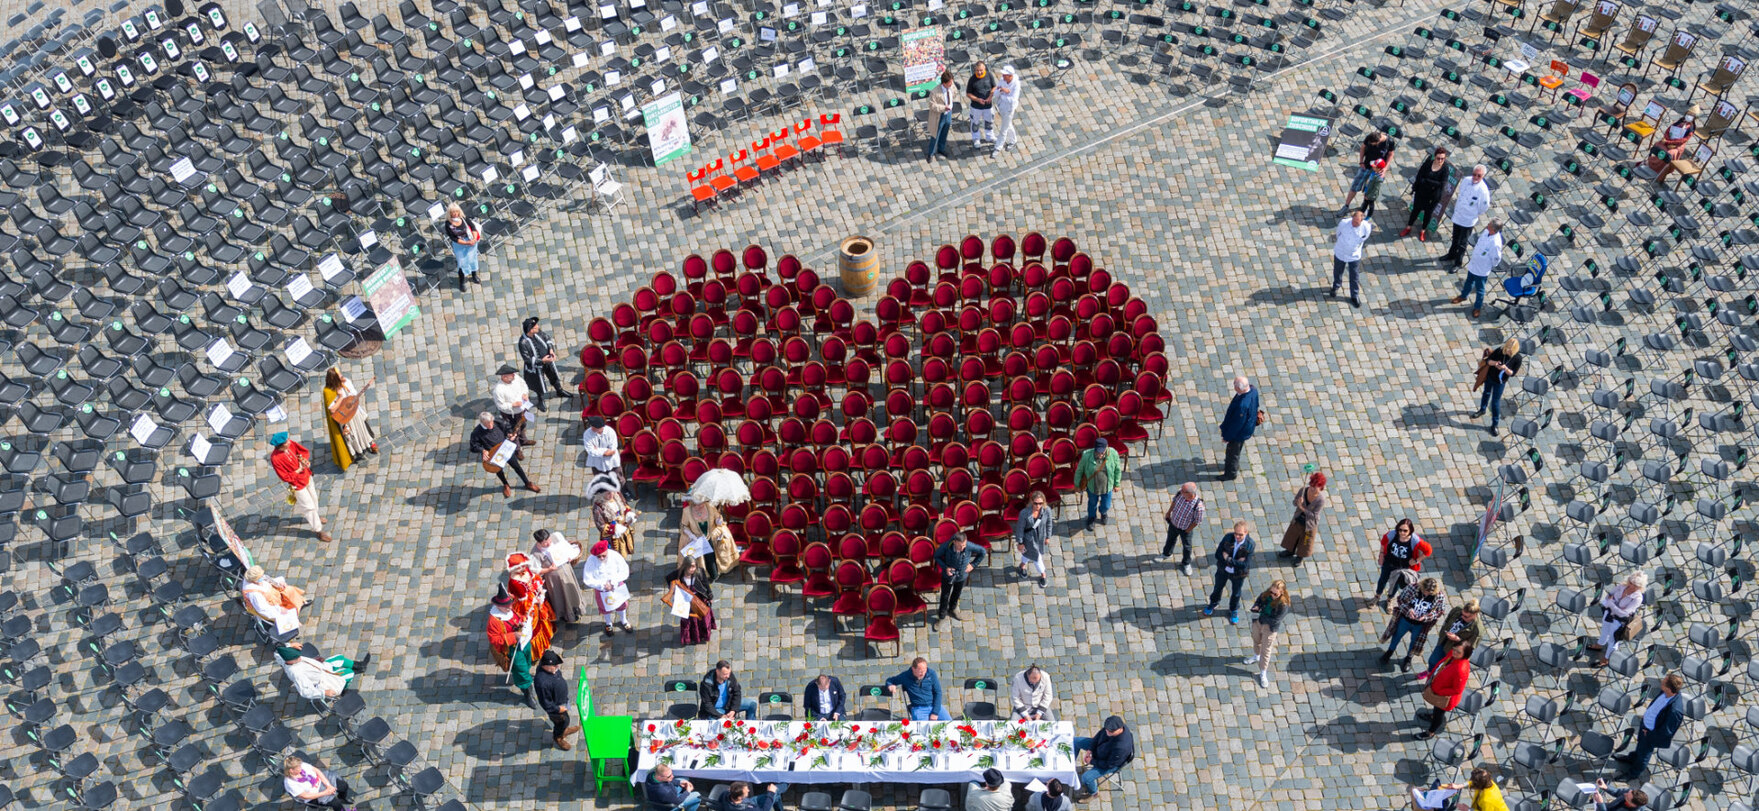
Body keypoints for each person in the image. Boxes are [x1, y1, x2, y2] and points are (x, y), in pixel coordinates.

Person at [1615, 673, 1683, 779]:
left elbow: (1666, 731)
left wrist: (1650, 734)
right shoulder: (1665, 692)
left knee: (1644, 754)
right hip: (1646, 726)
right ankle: (1632, 758)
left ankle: (1633, 773)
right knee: (1640, 746)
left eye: (1664, 682)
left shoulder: (1675, 711)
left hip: (1651, 734)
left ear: (1669, 688)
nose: (1661, 682)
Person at [269, 431, 332, 543]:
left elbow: (303, 452)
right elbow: (285, 477)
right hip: (297, 484)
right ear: (281, 446)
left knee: (314, 498)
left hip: (306, 476)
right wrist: (298, 470)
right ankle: (318, 530)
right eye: (286, 442)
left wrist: (304, 460)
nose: (289, 442)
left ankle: (316, 516)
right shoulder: (275, 459)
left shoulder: (291, 444)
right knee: (308, 506)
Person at [1383, 577, 1448, 672]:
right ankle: (1389, 651)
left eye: (1429, 593)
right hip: (1405, 619)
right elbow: (1400, 599)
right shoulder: (1412, 587)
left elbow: (1440, 611)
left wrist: (1426, 617)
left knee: (1415, 641)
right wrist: (1408, 610)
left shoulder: (1439, 596)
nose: (1425, 594)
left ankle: (1408, 658)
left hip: (1420, 624)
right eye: (1424, 591)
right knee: (1397, 635)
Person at [470, 412, 540, 498]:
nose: (491, 425)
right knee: (498, 470)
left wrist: (510, 433)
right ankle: (506, 485)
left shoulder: (498, 422)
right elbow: (474, 446)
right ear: (482, 423)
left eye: (491, 422)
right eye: (487, 424)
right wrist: (483, 450)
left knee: (516, 466)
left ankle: (527, 483)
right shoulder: (476, 433)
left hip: (505, 448)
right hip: (493, 454)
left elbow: (507, 427)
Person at [321, 368, 378, 471]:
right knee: (352, 436)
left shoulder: (347, 382)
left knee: (364, 428)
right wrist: (340, 397)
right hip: (345, 418)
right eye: (340, 376)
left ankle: (370, 443)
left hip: (355, 412)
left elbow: (354, 395)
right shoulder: (329, 391)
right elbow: (332, 410)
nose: (343, 377)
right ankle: (358, 452)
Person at [1441, 164, 1493, 269]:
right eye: (1474, 174)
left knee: (1462, 242)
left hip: (1468, 219)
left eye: (1479, 176)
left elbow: (1484, 207)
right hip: (1459, 215)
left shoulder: (1483, 191)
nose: (1476, 177)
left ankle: (1458, 262)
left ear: (1482, 176)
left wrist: (1472, 212)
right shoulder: (1466, 180)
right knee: (1455, 237)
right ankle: (1451, 254)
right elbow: (1461, 194)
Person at [1416, 599, 1483, 681]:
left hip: (1454, 651)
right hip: (1444, 640)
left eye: (1466, 616)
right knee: (1433, 661)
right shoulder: (1457, 610)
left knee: (1444, 669)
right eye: (1462, 614)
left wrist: (1458, 639)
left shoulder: (1477, 630)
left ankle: (1434, 679)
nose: (1462, 617)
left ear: (1474, 615)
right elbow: (1447, 620)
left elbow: (1469, 648)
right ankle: (1430, 672)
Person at [578, 540, 633, 638]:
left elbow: (624, 570)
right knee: (605, 608)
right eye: (599, 556)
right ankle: (608, 623)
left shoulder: (615, 556)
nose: (601, 558)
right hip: (602, 590)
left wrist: (613, 582)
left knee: (622, 605)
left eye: (603, 555)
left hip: (617, 586)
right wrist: (603, 585)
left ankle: (624, 620)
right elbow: (588, 579)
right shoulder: (591, 560)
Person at [1203, 520, 1255, 623]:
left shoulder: (1250, 545)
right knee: (1218, 587)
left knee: (1236, 593)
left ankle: (1233, 609)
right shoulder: (1228, 538)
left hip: (1238, 574)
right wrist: (1235, 561)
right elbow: (1218, 555)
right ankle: (1213, 603)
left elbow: (1245, 565)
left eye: (1240, 534)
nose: (1237, 537)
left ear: (1246, 533)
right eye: (1236, 533)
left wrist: (1228, 559)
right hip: (1223, 570)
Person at [1416, 643, 1471, 739]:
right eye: (1454, 649)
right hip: (1438, 688)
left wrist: (1439, 692)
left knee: (1439, 714)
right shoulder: (1453, 655)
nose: (1454, 652)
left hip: (1445, 697)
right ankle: (1432, 717)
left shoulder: (1460, 669)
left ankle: (1430, 732)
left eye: (1458, 652)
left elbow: (1457, 690)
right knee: (1436, 710)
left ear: (1465, 655)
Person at [1371, 519, 1431, 607]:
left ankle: (1389, 599)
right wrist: (1381, 555)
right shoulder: (1392, 534)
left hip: (1402, 567)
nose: (1402, 532)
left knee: (1395, 584)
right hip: (1389, 563)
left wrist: (1416, 560)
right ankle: (1377, 596)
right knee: (1382, 580)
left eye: (1405, 530)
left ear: (1410, 530)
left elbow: (1428, 550)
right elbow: (1383, 543)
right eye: (1400, 530)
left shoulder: (1415, 540)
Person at [1071, 715, 1133, 801]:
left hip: (1108, 763)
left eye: (1110, 731)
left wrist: (1092, 761)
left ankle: (1093, 793)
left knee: (1086, 778)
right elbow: (1098, 736)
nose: (1107, 732)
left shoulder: (1121, 747)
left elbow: (1109, 765)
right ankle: (1070, 764)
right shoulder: (1111, 728)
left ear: (1120, 729)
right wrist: (1090, 749)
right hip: (1100, 749)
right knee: (1075, 741)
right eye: (1106, 729)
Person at [240, 564, 308, 641]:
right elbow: (263, 609)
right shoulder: (254, 594)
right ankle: (293, 624)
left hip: (274, 596)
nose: (263, 577)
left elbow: (270, 580)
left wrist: (280, 582)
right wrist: (279, 609)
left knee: (290, 590)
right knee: (283, 614)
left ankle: (299, 604)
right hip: (270, 606)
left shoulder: (258, 578)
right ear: (254, 580)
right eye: (260, 577)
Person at [1592, 571, 1647, 666]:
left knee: (1613, 640)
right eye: (1631, 582)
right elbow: (1608, 595)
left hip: (1619, 622)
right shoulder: (1621, 586)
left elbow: (1623, 614)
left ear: (1640, 587)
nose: (1631, 586)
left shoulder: (1637, 598)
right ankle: (1599, 644)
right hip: (1609, 614)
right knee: (1604, 630)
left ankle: (1607, 659)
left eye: (1635, 585)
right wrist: (1615, 606)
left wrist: (1611, 603)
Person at [532, 529, 586, 625]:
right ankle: (565, 614)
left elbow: (566, 548)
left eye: (549, 540)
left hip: (566, 571)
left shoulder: (556, 537)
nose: (549, 543)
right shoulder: (535, 554)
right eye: (545, 543)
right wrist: (549, 569)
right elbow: (536, 570)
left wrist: (570, 555)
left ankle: (577, 607)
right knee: (560, 596)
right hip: (553, 578)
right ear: (539, 543)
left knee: (571, 590)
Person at [1450, 219, 1503, 318]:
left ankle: (1477, 307)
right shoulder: (1487, 231)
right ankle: (1463, 296)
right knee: (1468, 281)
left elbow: (1496, 259)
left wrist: (1487, 264)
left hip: (1482, 269)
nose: (1487, 226)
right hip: (1474, 263)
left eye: (1489, 225)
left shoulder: (1495, 243)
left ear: (1494, 229)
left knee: (1480, 289)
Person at [1244, 579, 1291, 689]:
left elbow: (1275, 620)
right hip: (1258, 622)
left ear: (1281, 593)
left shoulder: (1283, 605)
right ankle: (1256, 656)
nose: (1273, 595)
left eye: (1275, 594)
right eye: (1271, 592)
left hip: (1270, 628)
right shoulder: (1265, 595)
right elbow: (1258, 601)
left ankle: (1263, 672)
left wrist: (1260, 613)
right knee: (1256, 640)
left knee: (1266, 650)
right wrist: (1256, 607)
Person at [1471, 338, 1523, 436]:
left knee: (1495, 402)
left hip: (1500, 382)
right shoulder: (1500, 350)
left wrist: (1505, 368)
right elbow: (1488, 361)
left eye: (1510, 350)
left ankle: (1495, 424)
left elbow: (1512, 373)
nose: (1507, 351)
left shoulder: (1517, 358)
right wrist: (1495, 364)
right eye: (1507, 348)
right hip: (1490, 377)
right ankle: (1482, 409)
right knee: (1486, 393)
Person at [277, 644, 367, 700]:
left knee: (339, 658)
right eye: (296, 658)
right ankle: (343, 690)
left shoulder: (284, 658)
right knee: (349, 673)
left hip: (323, 668)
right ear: (289, 661)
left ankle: (360, 667)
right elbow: (305, 692)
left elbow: (277, 652)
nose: (300, 658)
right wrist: (324, 693)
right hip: (323, 680)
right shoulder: (297, 673)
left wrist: (290, 645)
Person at [1401, 146, 1454, 240]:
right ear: (1435, 157)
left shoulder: (1445, 169)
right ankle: (1408, 227)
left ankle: (1423, 231)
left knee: (1428, 214)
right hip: (1421, 192)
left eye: (1443, 158)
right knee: (1415, 210)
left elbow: (1442, 184)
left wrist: (1427, 181)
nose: (1440, 160)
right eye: (1438, 158)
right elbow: (1420, 175)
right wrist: (1417, 186)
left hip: (1433, 197)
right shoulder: (1428, 163)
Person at [933, 533, 986, 623]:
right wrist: (945, 567)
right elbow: (936, 556)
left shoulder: (968, 546)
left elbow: (983, 551)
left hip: (961, 576)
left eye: (964, 545)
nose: (962, 548)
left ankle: (952, 609)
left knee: (957, 593)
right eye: (960, 546)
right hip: (948, 576)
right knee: (945, 595)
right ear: (954, 542)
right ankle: (942, 616)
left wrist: (973, 565)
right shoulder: (946, 546)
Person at [517, 317, 567, 412]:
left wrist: (551, 349)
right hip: (535, 367)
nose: (538, 327)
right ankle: (541, 400)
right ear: (530, 330)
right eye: (536, 327)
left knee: (553, 376)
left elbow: (547, 338)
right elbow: (527, 359)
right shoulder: (522, 343)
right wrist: (542, 361)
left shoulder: (538, 332)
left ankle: (559, 391)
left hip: (547, 361)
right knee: (539, 384)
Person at [663, 557, 716, 646]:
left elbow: (705, 583)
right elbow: (668, 579)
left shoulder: (700, 572)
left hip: (699, 599)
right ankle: (690, 637)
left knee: (702, 617)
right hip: (685, 601)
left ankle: (703, 634)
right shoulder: (678, 574)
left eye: (694, 567)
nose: (692, 569)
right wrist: (674, 590)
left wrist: (710, 595)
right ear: (685, 566)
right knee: (688, 620)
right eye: (690, 567)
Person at [532, 649, 579, 750]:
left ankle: (564, 730)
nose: (557, 667)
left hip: (562, 701)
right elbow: (546, 703)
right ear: (545, 666)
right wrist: (558, 709)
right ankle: (558, 737)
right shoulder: (542, 683)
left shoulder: (551, 669)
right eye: (554, 665)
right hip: (556, 708)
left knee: (565, 720)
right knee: (562, 721)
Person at [1073, 438, 1123, 529]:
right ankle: (1091, 517)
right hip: (1093, 487)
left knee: (1106, 505)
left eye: (1102, 452)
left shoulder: (1113, 454)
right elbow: (1079, 471)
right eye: (1097, 452)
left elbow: (1117, 470)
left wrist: (1117, 483)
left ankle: (1103, 513)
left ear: (1106, 448)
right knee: (1092, 503)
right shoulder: (1086, 456)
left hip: (1107, 487)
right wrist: (1077, 484)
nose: (1100, 454)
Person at [678, 498, 732, 582]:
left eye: (702, 503)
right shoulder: (686, 511)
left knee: (711, 556)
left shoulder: (710, 507)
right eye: (698, 505)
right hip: (696, 539)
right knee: (701, 559)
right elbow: (684, 526)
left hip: (711, 535)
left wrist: (719, 520)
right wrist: (691, 535)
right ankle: (703, 575)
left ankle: (714, 574)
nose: (700, 506)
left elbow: (717, 519)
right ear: (693, 503)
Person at [1341, 130, 1395, 213]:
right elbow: (1362, 147)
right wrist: (1361, 161)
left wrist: (1385, 169)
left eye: (1373, 144)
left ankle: (1364, 206)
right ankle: (1346, 205)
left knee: (1369, 190)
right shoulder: (1370, 137)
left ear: (1378, 141)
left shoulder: (1389, 142)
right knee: (1355, 186)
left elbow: (1391, 154)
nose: (1371, 145)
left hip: (1377, 170)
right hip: (1366, 166)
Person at [1278, 472, 1326, 564]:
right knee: (1292, 537)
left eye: (1315, 487)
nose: (1312, 489)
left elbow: (1314, 516)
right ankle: (1290, 551)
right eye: (1311, 486)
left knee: (1305, 542)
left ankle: (1299, 557)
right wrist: (1298, 501)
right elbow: (1294, 503)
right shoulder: (1303, 491)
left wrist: (1302, 508)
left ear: (1321, 488)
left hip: (1309, 525)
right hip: (1298, 520)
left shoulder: (1320, 500)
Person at [1218, 376, 1261, 481]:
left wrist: (1227, 437)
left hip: (1239, 434)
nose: (1233, 386)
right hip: (1247, 427)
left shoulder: (1242, 405)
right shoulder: (1253, 390)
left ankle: (1230, 473)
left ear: (1240, 388)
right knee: (1235, 450)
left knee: (1232, 453)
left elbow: (1236, 425)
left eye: (1234, 384)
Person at [884, 656, 951, 720]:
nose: (923, 673)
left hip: (934, 705)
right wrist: (890, 685)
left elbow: (938, 692)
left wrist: (935, 712)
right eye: (920, 671)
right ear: (913, 669)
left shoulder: (931, 674)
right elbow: (890, 680)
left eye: (925, 670)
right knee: (922, 729)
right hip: (919, 708)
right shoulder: (905, 676)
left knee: (951, 725)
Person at [1330, 208, 1371, 308]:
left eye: (1357, 223)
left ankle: (1354, 295)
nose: (1354, 224)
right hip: (1341, 251)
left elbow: (1364, 238)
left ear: (1362, 221)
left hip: (1354, 255)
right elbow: (1338, 233)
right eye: (1353, 221)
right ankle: (1336, 286)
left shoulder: (1366, 227)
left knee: (1354, 276)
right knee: (1338, 270)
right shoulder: (1344, 223)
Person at [1162, 482, 1206, 575]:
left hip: (1185, 529)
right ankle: (1166, 553)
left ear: (1190, 493)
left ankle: (1186, 563)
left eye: (1183, 491)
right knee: (1170, 539)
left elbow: (1197, 521)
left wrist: (1188, 530)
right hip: (1174, 523)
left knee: (1187, 547)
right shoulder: (1180, 493)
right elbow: (1174, 501)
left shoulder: (1198, 506)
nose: (1180, 491)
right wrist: (1169, 512)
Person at [283, 755, 356, 810]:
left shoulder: (301, 765)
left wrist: (328, 785)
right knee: (336, 804)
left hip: (321, 782)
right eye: (298, 768)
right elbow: (305, 796)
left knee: (343, 786)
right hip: (314, 796)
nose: (301, 767)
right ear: (291, 771)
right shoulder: (290, 783)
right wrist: (325, 792)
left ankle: (342, 798)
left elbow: (317, 771)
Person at [1644, 106, 1697, 183]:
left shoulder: (1691, 129)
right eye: (1688, 114)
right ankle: (1652, 164)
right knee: (1658, 145)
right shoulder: (1680, 122)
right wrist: (1666, 139)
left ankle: (1660, 173)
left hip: (1677, 146)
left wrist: (1670, 143)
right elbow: (1669, 129)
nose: (1689, 116)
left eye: (1691, 115)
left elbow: (1683, 140)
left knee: (1669, 154)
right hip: (1668, 140)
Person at [493, 364, 538, 444]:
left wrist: (525, 394)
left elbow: (523, 385)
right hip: (510, 414)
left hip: (522, 410)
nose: (514, 375)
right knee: (514, 431)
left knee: (522, 425)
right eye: (511, 375)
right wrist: (512, 405)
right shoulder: (498, 390)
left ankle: (523, 440)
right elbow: (500, 405)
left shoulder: (516, 378)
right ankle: (517, 449)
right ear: (504, 377)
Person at [1015, 490, 1052, 586]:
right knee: (1037, 558)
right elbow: (1020, 529)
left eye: (1040, 503)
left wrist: (1048, 536)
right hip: (1029, 540)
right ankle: (1043, 575)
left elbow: (1049, 524)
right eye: (1035, 503)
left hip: (1040, 538)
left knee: (1027, 554)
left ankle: (1022, 566)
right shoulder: (1024, 513)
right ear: (1032, 501)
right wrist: (1020, 542)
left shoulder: (1047, 510)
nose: (1038, 506)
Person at [1431, 767, 1507, 811]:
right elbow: (1472, 782)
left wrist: (1468, 809)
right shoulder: (1488, 782)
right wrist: (1459, 786)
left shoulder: (1487, 800)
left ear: (1478, 785)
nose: (1470, 782)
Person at [444, 202, 482, 290]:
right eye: (453, 212)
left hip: (470, 240)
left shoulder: (463, 218)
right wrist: (466, 243)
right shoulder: (448, 224)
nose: (455, 214)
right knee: (462, 263)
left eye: (456, 211)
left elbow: (473, 228)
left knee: (473, 259)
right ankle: (461, 281)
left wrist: (474, 239)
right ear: (450, 213)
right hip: (460, 245)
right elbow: (453, 238)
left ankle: (474, 275)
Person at [593, 487, 638, 558]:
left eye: (612, 491)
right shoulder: (598, 506)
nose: (612, 494)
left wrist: (628, 514)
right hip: (612, 537)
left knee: (625, 549)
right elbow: (601, 526)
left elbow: (625, 506)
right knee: (614, 556)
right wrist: (615, 528)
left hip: (624, 530)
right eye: (608, 493)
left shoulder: (617, 495)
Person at [925, 70, 955, 163]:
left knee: (944, 132)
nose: (951, 85)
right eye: (950, 84)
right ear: (944, 83)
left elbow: (955, 92)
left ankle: (941, 149)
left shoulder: (951, 86)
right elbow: (931, 105)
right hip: (939, 116)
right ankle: (931, 153)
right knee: (935, 135)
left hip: (948, 114)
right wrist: (943, 108)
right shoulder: (935, 92)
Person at [583, 414, 623, 481]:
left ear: (598, 427)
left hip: (611, 460)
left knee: (618, 478)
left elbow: (612, 449)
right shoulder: (587, 434)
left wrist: (598, 450)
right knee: (601, 479)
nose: (591, 428)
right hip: (597, 462)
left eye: (592, 426)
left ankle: (623, 490)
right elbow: (590, 450)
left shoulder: (610, 432)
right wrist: (604, 453)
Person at [992, 65, 1021, 151]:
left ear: (1010, 76)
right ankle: (1013, 140)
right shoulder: (1002, 80)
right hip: (1001, 106)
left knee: (1004, 128)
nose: (1003, 76)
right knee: (1008, 124)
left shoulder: (1016, 84)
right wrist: (1002, 91)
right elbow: (997, 92)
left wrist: (1002, 95)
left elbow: (1013, 100)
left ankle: (998, 146)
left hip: (1009, 109)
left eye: (1005, 75)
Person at [966, 62, 995, 146]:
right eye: (977, 70)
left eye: (981, 70)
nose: (979, 72)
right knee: (975, 123)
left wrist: (990, 96)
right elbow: (968, 93)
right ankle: (976, 139)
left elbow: (994, 87)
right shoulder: (972, 79)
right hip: (976, 107)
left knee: (989, 122)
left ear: (984, 69)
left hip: (988, 106)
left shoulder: (989, 75)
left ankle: (990, 136)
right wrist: (977, 99)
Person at [717, 781, 787, 811]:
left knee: (777, 796)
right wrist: (771, 793)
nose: (748, 790)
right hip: (754, 806)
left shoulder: (725, 794)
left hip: (749, 802)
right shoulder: (749, 809)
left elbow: (720, 802)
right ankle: (787, 783)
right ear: (739, 797)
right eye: (746, 791)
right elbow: (764, 809)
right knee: (776, 790)